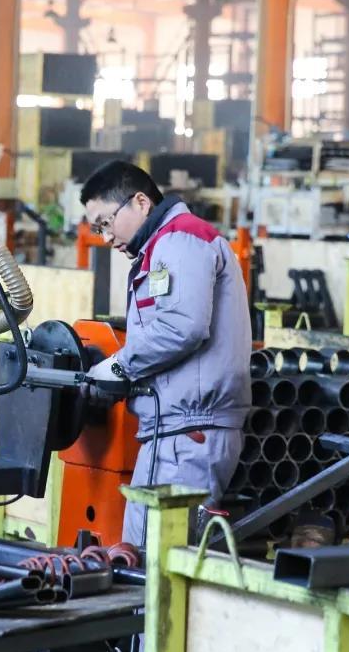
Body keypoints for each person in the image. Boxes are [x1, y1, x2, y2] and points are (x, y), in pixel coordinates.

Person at [80, 160, 251, 545]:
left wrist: (118, 367)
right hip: (176, 430)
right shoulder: (163, 246)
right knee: (144, 555)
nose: (105, 237)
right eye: (98, 228)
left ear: (140, 202)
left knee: (153, 562)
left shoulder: (181, 239)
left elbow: (182, 326)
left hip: (189, 432)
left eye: (106, 222)